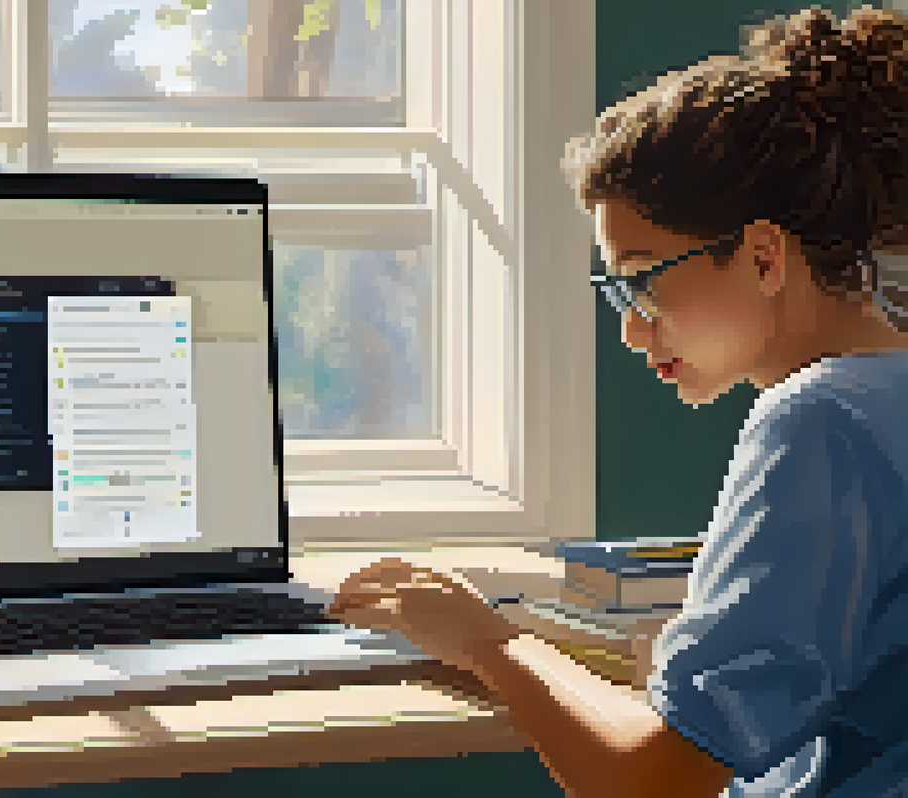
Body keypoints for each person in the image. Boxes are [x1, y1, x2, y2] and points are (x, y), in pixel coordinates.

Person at [330, 7, 908, 797]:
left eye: (643, 280)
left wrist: (488, 644)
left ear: (763, 256)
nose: (633, 331)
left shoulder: (819, 421)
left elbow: (649, 782)